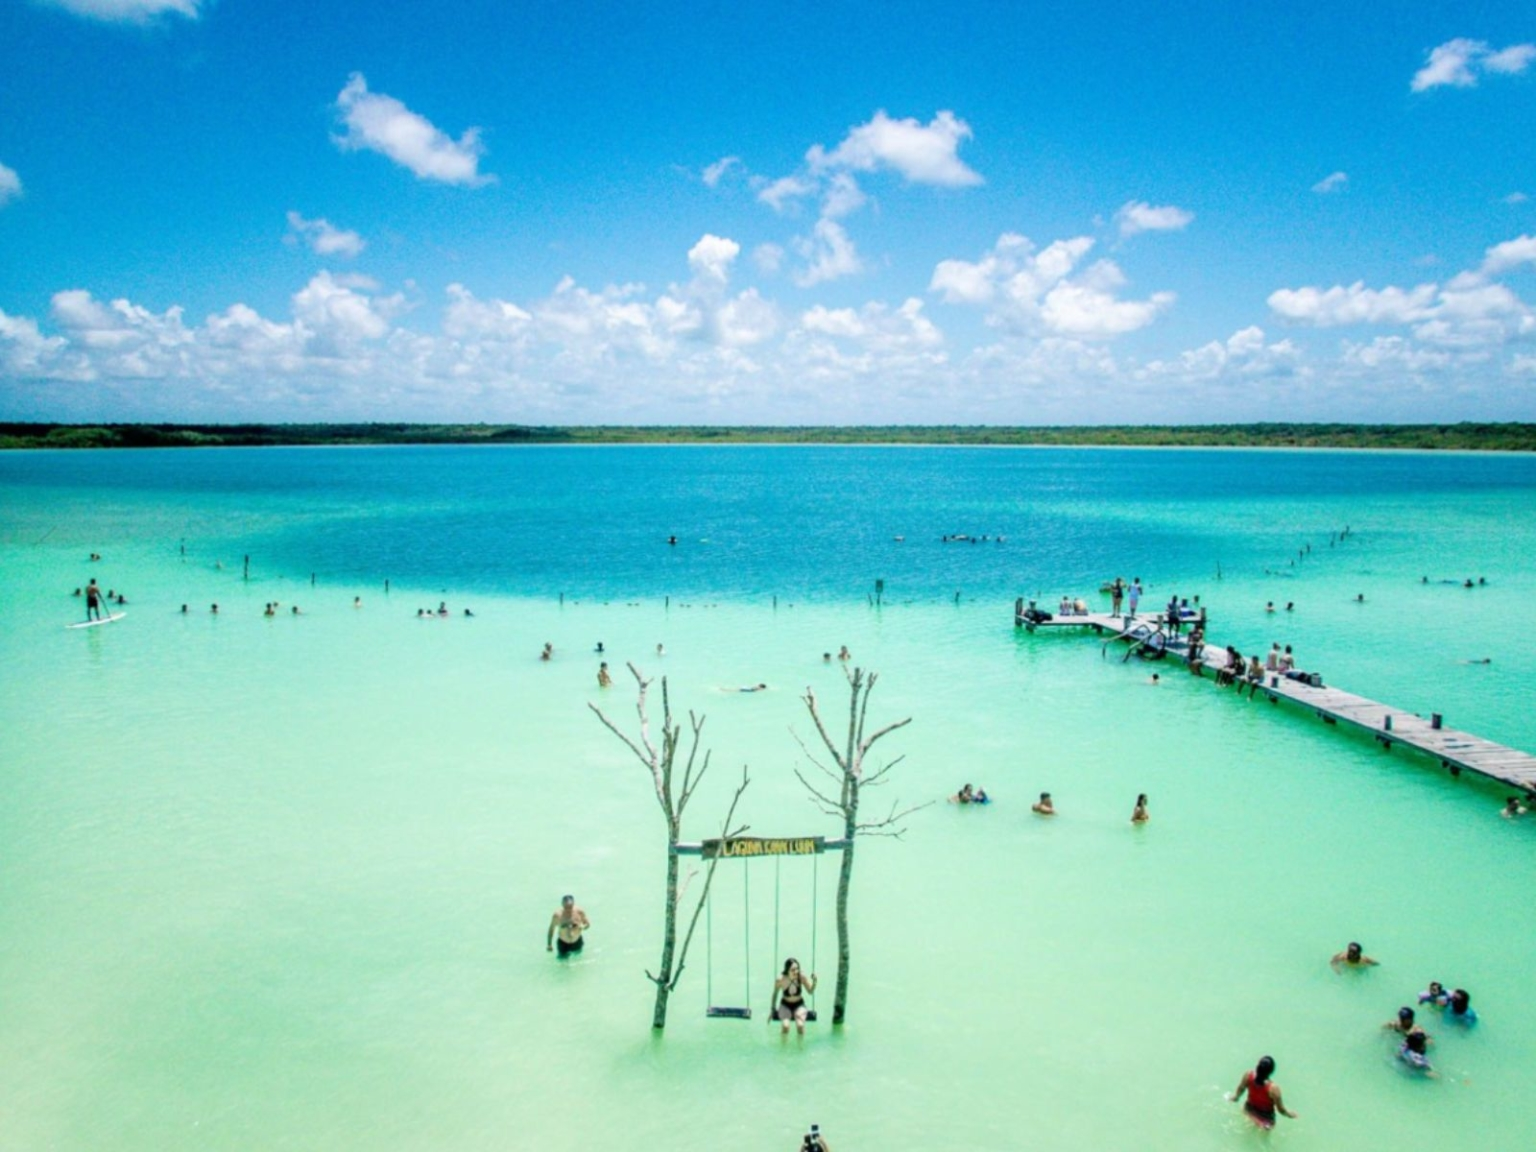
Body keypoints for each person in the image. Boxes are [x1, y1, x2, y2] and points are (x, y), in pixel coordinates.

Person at [1230, 1055, 1297, 1128]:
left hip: (1248, 1111)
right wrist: (1290, 1115)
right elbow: (1281, 1110)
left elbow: (1241, 1089)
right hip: (1265, 1121)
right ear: (1271, 1071)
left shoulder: (1248, 1075)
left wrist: (1235, 1097)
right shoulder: (1273, 1088)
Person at [772, 957, 817, 1035]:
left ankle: (800, 1043)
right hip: (785, 1005)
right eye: (793, 970)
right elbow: (775, 994)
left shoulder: (802, 977)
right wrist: (772, 1009)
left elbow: (810, 991)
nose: (796, 972)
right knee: (785, 1026)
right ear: (787, 970)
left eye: (797, 969)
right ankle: (783, 1042)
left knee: (800, 1026)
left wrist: (815, 982)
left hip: (799, 1004)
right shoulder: (780, 979)